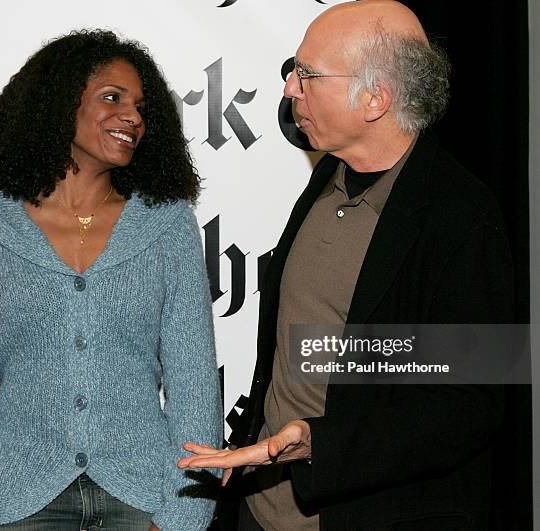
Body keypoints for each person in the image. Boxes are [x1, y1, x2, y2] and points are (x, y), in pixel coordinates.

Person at [178, 1, 514, 530]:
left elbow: (469, 403)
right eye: (293, 70)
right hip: (258, 513)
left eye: (307, 73)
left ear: (375, 98)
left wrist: (318, 441)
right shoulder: (325, 179)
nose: (289, 88)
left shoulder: (462, 216)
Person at [0, 30, 222, 531]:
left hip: (142, 501)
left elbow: (193, 383)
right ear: (61, 104)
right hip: (15, 504)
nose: (132, 117)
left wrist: (185, 516)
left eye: (140, 107)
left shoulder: (167, 225)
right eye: (113, 98)